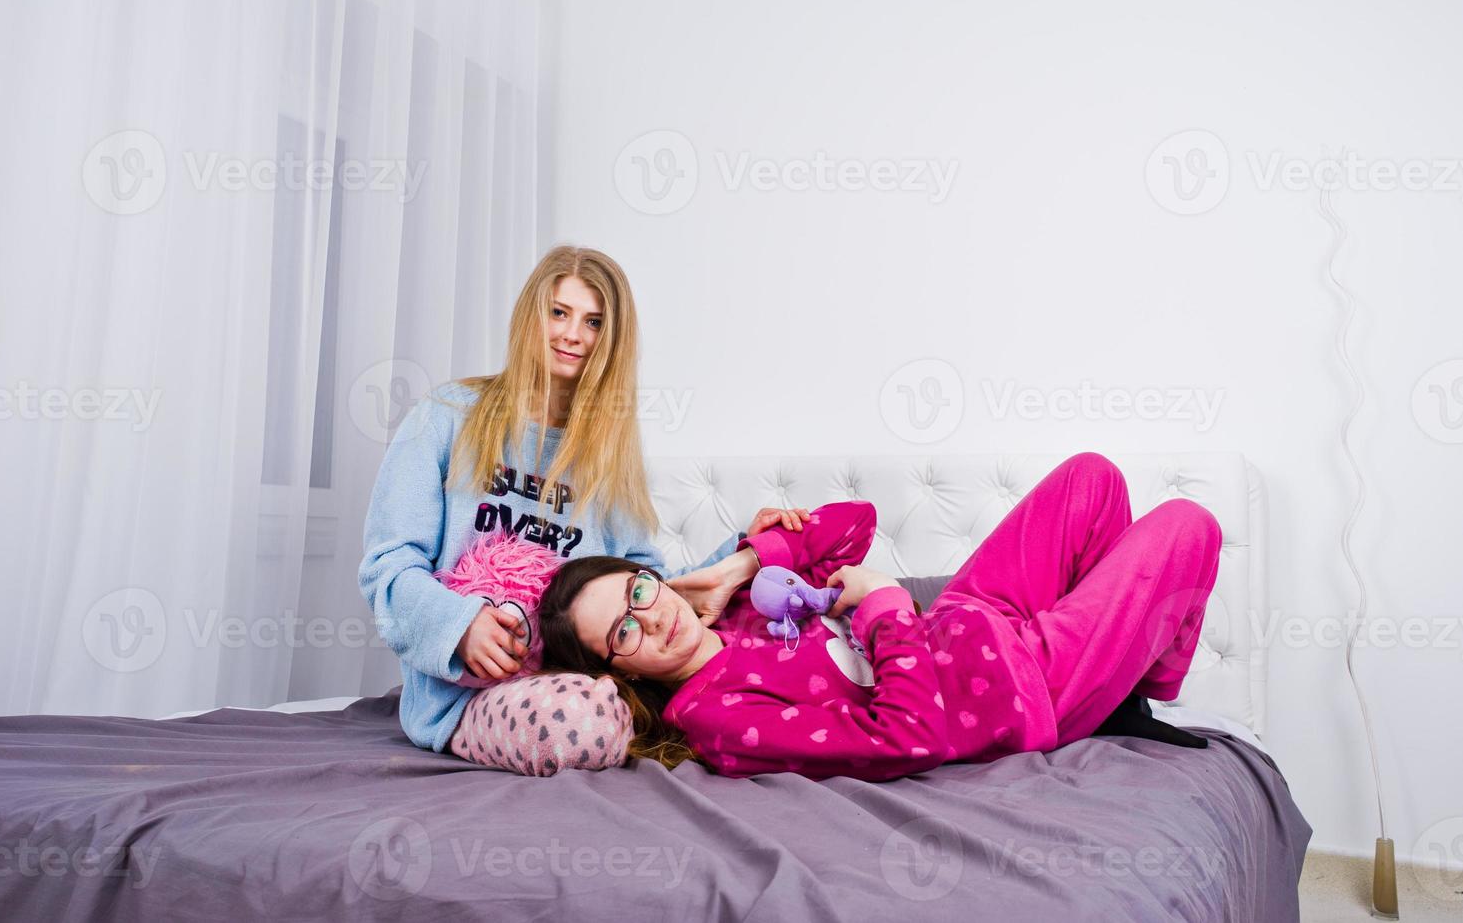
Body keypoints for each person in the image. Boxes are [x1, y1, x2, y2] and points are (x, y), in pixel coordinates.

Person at [357, 244, 810, 759]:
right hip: (466, 698)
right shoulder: (445, 416)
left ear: (610, 341)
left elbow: (641, 583)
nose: (573, 334)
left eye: (593, 322)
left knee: (788, 576)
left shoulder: (607, 451)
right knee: (581, 719)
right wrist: (459, 628)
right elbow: (389, 565)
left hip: (582, 679)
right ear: (532, 315)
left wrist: (739, 554)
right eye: (559, 312)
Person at [538, 452, 1223, 781]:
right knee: (1187, 525)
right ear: (617, 671)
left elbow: (853, 527)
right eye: (623, 633)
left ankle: (1125, 691)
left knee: (1091, 479)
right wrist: (884, 609)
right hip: (1015, 692)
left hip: (967, 618)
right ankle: (1119, 689)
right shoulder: (716, 716)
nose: (651, 619)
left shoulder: (737, 608)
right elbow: (904, 738)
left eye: (637, 593)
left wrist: (743, 564)